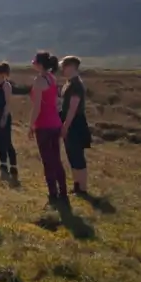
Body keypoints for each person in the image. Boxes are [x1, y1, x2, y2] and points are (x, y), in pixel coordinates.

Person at [28, 51, 68, 204]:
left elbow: (37, 107)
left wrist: (31, 125)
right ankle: (63, 191)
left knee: (47, 160)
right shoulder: (52, 78)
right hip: (55, 122)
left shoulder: (39, 80)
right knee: (56, 159)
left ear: (39, 64)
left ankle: (53, 193)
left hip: (44, 124)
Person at [59, 56, 92, 195]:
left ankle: (82, 188)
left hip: (75, 122)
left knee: (78, 155)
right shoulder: (69, 83)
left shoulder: (76, 85)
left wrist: (65, 126)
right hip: (69, 121)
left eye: (64, 67)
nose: (62, 70)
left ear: (71, 66)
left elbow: (73, 109)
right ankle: (77, 185)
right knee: (71, 154)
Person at [0, 62, 18, 179]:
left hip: (3, 117)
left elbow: (7, 103)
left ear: (2, 74)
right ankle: (3, 165)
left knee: (7, 142)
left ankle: (13, 167)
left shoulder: (6, 86)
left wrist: (4, 118)